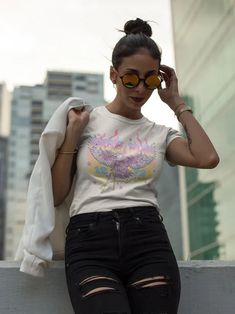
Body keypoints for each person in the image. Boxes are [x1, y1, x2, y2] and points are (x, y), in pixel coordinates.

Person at [51, 18, 219, 314]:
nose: (140, 88)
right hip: (90, 242)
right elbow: (55, 194)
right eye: (131, 77)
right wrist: (70, 141)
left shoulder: (160, 133)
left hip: (148, 240)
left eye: (150, 79)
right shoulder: (82, 121)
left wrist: (177, 102)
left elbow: (207, 159)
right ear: (113, 75)